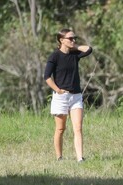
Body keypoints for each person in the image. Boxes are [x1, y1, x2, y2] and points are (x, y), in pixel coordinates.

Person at [44, 28, 92, 162]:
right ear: (61, 40)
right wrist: (57, 90)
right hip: (61, 97)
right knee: (60, 128)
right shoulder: (54, 56)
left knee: (78, 128)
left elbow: (88, 49)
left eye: (74, 38)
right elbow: (47, 76)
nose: (73, 40)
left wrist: (74, 46)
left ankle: (80, 158)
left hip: (76, 96)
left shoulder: (75, 54)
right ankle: (59, 157)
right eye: (70, 38)